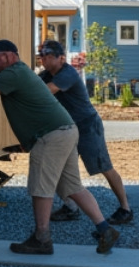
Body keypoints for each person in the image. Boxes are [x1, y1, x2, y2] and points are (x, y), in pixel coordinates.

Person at [0, 39, 120, 256]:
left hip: (50, 135)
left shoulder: (14, 73)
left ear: (8, 56)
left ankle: (42, 238)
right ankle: (105, 229)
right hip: (66, 130)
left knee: (41, 187)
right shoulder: (17, 73)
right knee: (72, 187)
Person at [37, 39, 133, 224]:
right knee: (60, 168)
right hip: (67, 129)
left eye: (47, 56)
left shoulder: (68, 73)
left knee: (104, 167)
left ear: (61, 58)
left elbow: (46, 91)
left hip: (87, 126)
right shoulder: (46, 75)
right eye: (41, 56)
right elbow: (33, 85)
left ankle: (125, 208)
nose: (43, 60)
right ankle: (70, 207)